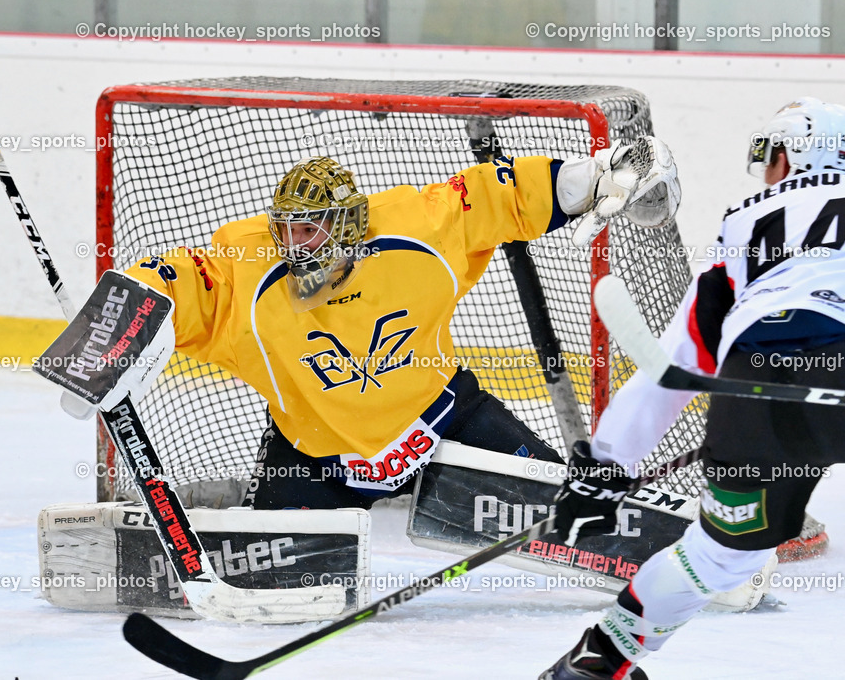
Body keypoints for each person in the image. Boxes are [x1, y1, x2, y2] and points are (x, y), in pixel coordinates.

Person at [122, 143, 678, 511]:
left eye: (312, 230)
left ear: (349, 228)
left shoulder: (413, 231)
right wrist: (123, 308)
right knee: (264, 567)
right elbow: (187, 281)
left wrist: (590, 176)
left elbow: (496, 196)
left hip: (442, 421)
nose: (297, 246)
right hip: (317, 450)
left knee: (570, 512)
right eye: (287, 230)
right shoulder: (251, 270)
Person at [540, 97, 845, 680]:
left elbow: (674, 366)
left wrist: (605, 467)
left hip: (756, 382)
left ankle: (596, 664)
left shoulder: (745, 221)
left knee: (723, 556)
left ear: (798, 152)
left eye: (772, 156)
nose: (767, 172)